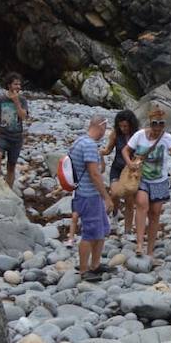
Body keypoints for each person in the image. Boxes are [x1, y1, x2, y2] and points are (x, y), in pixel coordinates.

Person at [124, 107, 171, 262]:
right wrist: (129, 163)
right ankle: (139, 244)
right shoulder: (139, 135)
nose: (157, 128)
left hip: (159, 181)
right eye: (154, 124)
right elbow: (125, 150)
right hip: (141, 178)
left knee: (155, 213)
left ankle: (150, 250)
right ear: (150, 123)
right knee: (142, 205)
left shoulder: (167, 138)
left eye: (161, 124)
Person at [69, 114, 114, 281]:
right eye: (105, 128)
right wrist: (106, 197)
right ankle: (83, 269)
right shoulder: (88, 145)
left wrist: (100, 155)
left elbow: (99, 169)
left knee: (101, 229)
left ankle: (95, 264)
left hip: (85, 192)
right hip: (88, 194)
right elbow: (95, 174)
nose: (105, 132)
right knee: (89, 232)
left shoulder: (80, 141)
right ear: (101, 126)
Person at [0, 72, 27, 186]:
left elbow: (23, 116)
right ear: (9, 85)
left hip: (16, 138)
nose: (18, 87)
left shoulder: (22, 100)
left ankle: (9, 190)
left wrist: (16, 102)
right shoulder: (0, 100)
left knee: (11, 167)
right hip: (2, 136)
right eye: (15, 84)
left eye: (19, 84)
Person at [102, 110, 139, 234]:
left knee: (129, 201)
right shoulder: (115, 134)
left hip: (130, 172)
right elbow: (108, 150)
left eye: (126, 126)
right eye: (121, 126)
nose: (123, 129)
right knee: (115, 193)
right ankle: (115, 214)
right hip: (117, 168)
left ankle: (128, 231)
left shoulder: (137, 135)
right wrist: (100, 152)